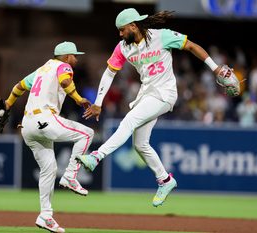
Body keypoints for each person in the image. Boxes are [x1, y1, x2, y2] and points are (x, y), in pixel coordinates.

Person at [76, 8, 237, 207]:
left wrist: (216, 67)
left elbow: (192, 46)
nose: (120, 34)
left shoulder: (162, 36)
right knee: (140, 144)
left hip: (165, 93)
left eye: (122, 29)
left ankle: (96, 156)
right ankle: (166, 180)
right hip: (147, 95)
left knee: (130, 120)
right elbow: (109, 74)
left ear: (134, 26)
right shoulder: (122, 47)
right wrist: (98, 103)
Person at [3, 41, 94, 233]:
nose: (76, 59)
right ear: (67, 56)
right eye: (74, 55)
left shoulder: (40, 70)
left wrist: (8, 105)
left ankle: (45, 216)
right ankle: (70, 175)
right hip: (45, 119)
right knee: (87, 134)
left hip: (27, 125)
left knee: (49, 168)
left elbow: (18, 87)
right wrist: (79, 99)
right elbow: (65, 81)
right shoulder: (63, 66)